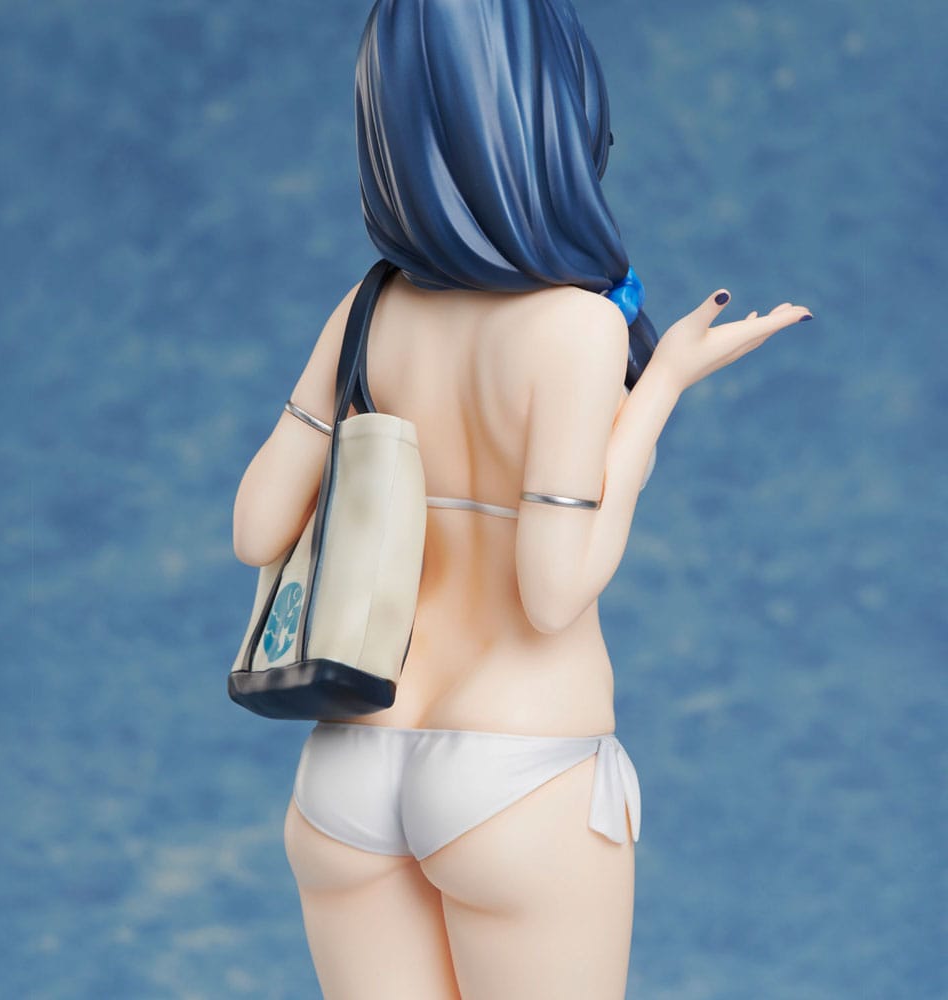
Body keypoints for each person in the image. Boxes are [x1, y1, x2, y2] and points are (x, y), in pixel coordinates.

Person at [232, 1, 812, 997]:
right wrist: (660, 390)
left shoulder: (367, 307)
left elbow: (255, 530)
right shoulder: (576, 329)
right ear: (554, 117)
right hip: (518, 771)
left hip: (351, 758)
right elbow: (553, 592)